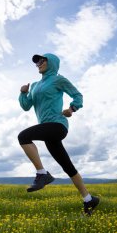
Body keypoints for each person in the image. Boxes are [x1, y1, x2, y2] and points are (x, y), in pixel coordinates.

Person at [18, 53, 100, 216]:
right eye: (37, 62)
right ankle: (89, 199)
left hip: (57, 125)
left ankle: (42, 174)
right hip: (47, 129)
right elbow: (26, 106)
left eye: (42, 60)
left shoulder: (58, 79)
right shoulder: (34, 85)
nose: (39, 64)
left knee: (23, 137)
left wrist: (72, 109)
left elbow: (78, 96)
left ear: (52, 63)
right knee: (67, 166)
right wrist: (23, 93)